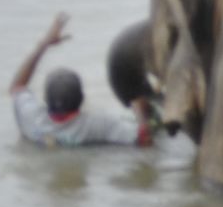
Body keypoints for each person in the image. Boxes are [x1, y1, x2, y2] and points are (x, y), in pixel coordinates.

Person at [10, 13, 154, 149]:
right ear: (82, 99)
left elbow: (17, 86)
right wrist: (140, 111)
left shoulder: (33, 118)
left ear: (46, 100)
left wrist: (44, 44)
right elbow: (144, 139)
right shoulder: (98, 124)